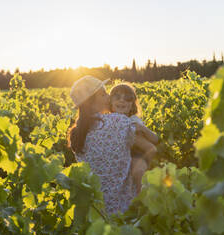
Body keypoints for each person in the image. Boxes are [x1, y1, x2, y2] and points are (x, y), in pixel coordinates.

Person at [67, 75, 154, 214]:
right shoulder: (120, 121)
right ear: (93, 102)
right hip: (125, 208)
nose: (108, 96)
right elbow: (151, 148)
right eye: (103, 94)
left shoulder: (77, 134)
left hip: (97, 213)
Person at [109, 83, 158, 194]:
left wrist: (143, 129)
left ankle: (140, 200)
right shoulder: (107, 120)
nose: (122, 100)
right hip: (117, 156)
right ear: (110, 101)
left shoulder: (133, 120)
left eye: (127, 98)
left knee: (138, 172)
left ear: (132, 104)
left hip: (135, 154)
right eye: (117, 97)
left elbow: (155, 140)